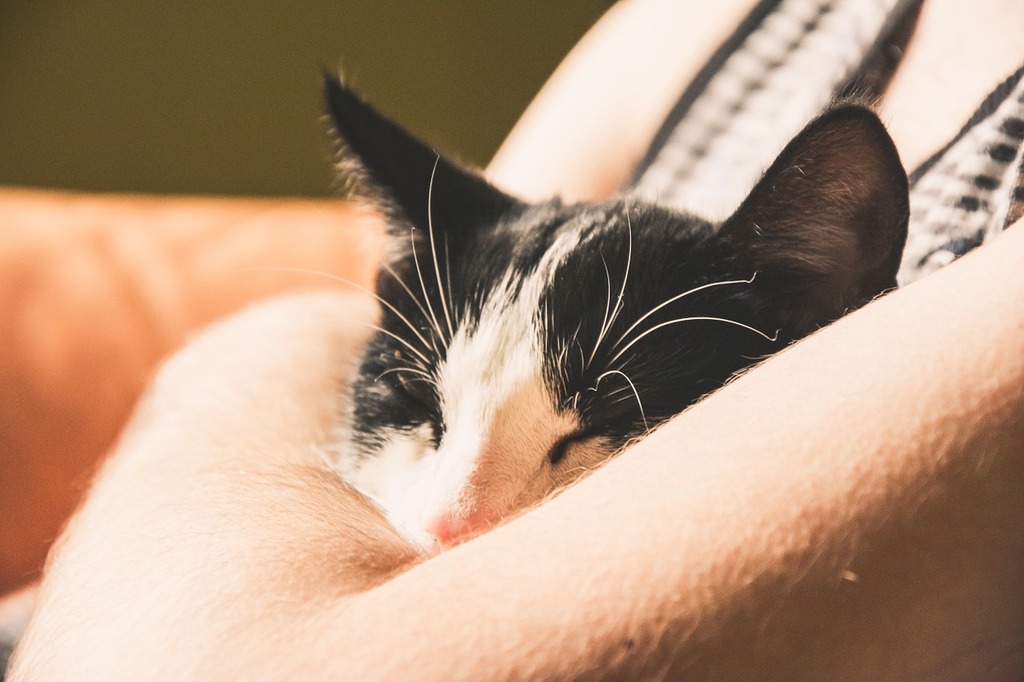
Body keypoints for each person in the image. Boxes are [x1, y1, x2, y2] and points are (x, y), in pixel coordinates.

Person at [5, 0, 1024, 678]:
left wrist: (252, 349)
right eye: (425, 421)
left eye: (593, 432)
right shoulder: (710, 19)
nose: (452, 519)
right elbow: (467, 261)